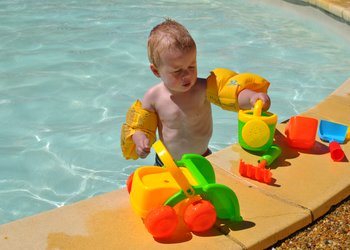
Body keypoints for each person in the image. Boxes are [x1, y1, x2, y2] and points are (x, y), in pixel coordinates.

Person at [121, 18, 271, 165]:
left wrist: (252, 97)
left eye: (191, 66)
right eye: (177, 71)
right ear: (156, 71)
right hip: (167, 163)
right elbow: (140, 127)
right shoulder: (153, 97)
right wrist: (140, 139)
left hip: (203, 158)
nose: (186, 75)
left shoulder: (203, 88)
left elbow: (231, 96)